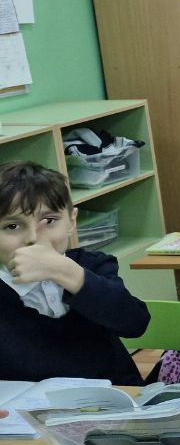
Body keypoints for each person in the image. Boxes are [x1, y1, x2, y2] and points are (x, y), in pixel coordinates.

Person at [0, 162, 149, 384]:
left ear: (71, 220)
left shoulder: (93, 264)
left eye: (49, 221)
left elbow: (135, 323)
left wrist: (65, 272)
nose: (33, 238)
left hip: (113, 397)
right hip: (28, 404)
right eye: (12, 226)